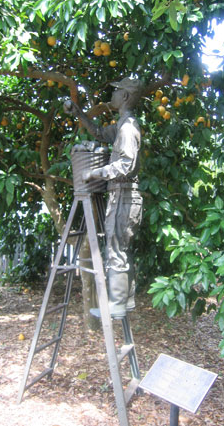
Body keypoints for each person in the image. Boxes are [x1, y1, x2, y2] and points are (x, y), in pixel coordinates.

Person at [63, 77, 143, 318]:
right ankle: (125, 301)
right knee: (121, 249)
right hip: (124, 196)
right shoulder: (122, 125)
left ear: (126, 97)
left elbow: (127, 165)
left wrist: (95, 172)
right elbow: (99, 133)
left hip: (124, 195)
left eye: (117, 90)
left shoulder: (128, 129)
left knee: (116, 250)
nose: (114, 94)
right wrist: (79, 113)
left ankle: (116, 304)